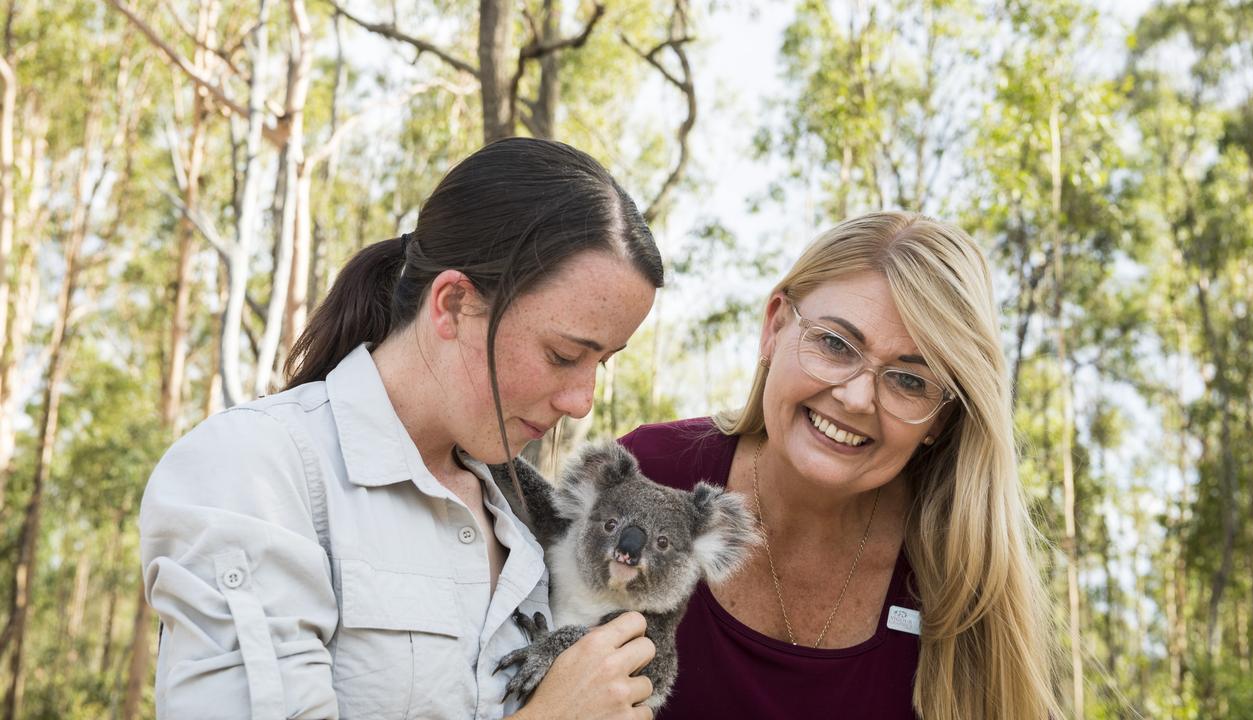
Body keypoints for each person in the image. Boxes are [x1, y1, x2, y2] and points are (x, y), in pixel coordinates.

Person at [140, 138, 663, 720]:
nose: (582, 402)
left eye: (603, 362)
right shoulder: (255, 468)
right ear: (453, 302)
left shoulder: (524, 519)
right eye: (565, 355)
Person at [620, 212, 1060, 719]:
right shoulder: (645, 476)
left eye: (909, 381)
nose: (856, 397)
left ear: (942, 418)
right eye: (834, 343)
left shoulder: (962, 570)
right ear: (775, 328)